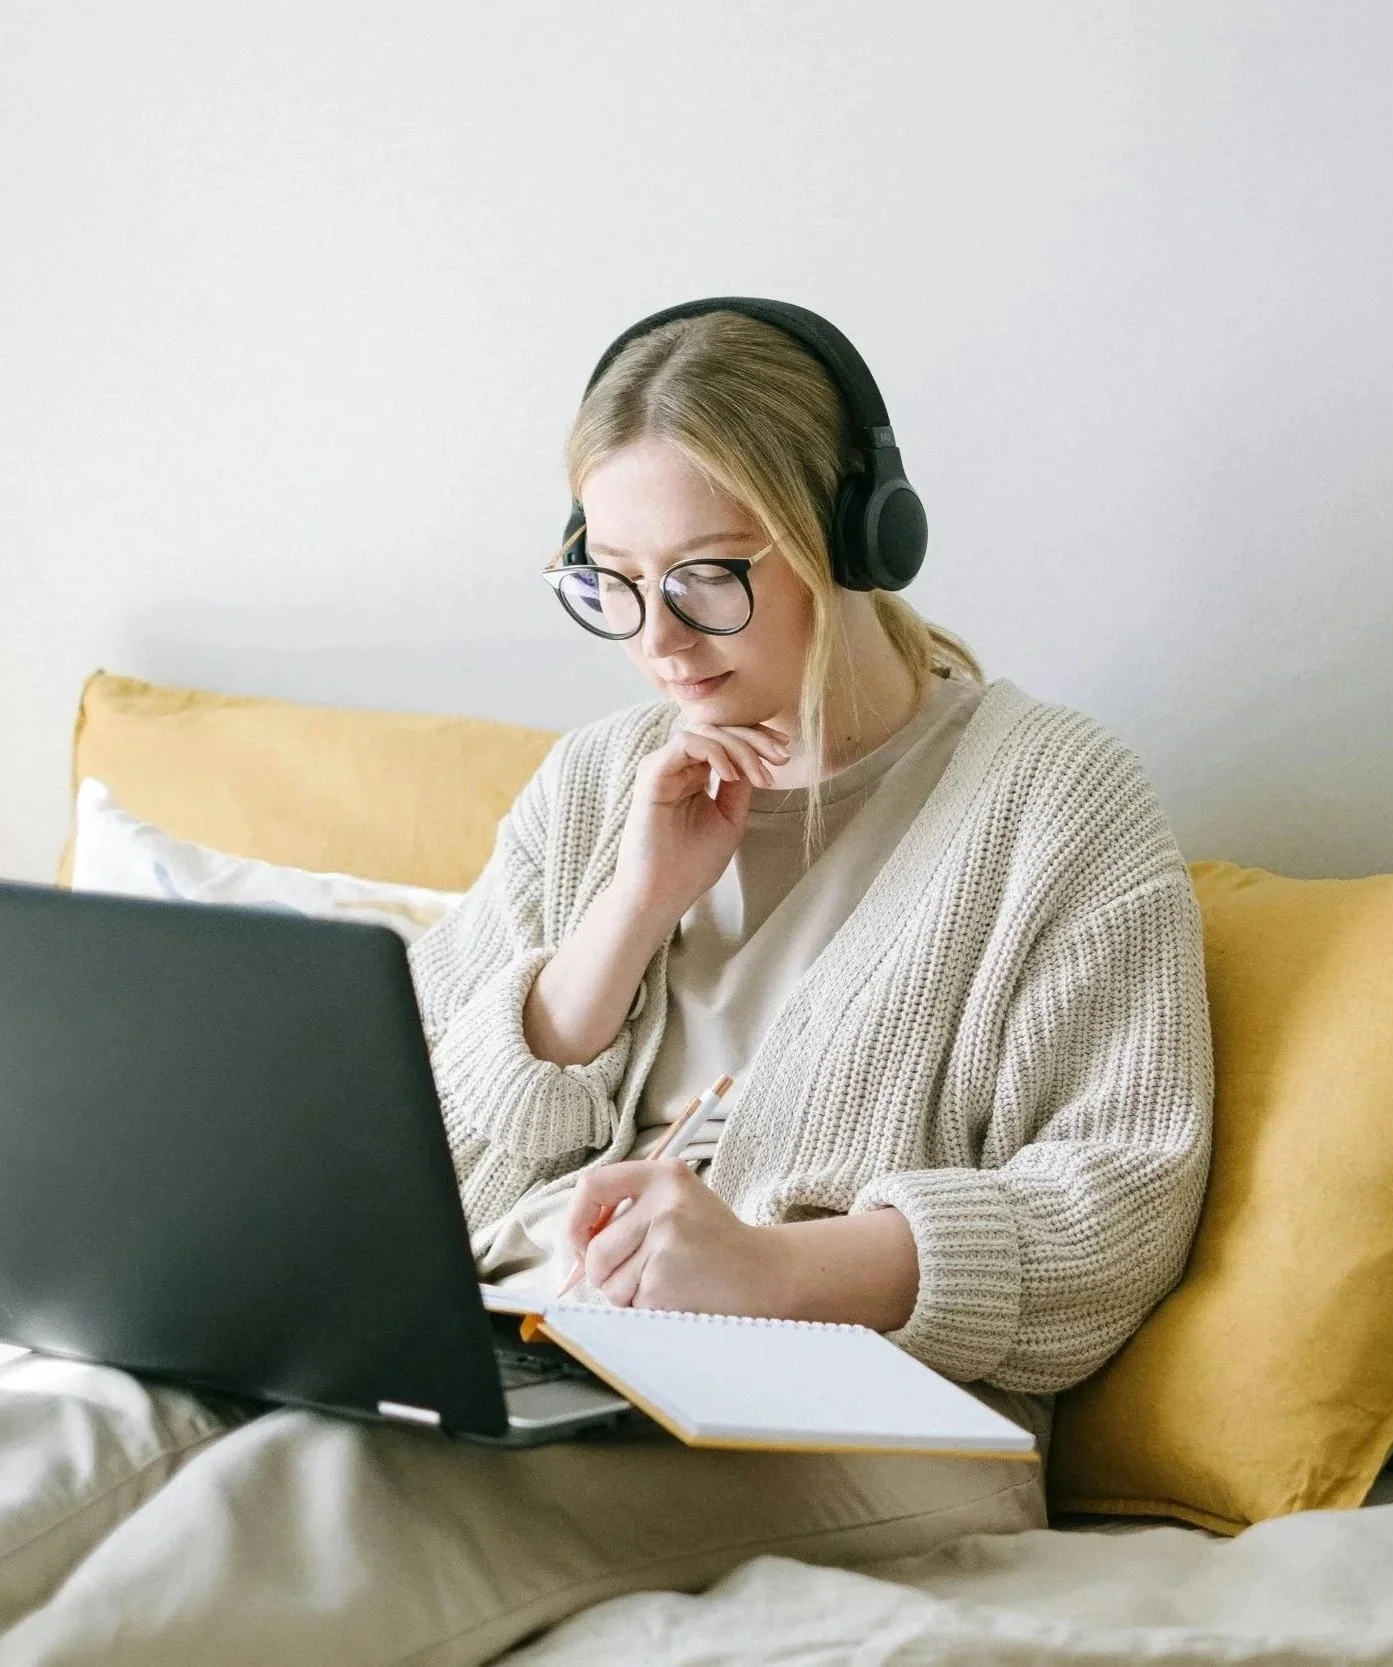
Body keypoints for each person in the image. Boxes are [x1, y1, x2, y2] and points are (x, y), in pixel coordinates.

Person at [0, 300, 1214, 1665]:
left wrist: (768, 1267)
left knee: (306, 1507)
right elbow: (409, 1167)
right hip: (516, 1346)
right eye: (612, 583)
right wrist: (623, 918)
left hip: (871, 1418)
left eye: (706, 576)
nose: (659, 642)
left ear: (857, 537)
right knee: (79, 1423)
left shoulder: (1054, 799)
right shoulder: (598, 781)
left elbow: (1114, 1207)